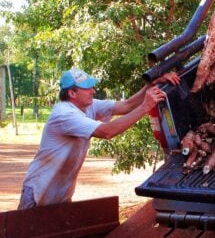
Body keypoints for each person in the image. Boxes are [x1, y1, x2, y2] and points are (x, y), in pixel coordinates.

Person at [18, 67, 180, 209]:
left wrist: (153, 83)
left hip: (61, 194)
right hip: (39, 192)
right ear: (72, 93)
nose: (93, 91)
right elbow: (107, 132)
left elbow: (126, 106)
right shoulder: (64, 115)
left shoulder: (88, 105)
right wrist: (145, 106)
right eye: (87, 88)